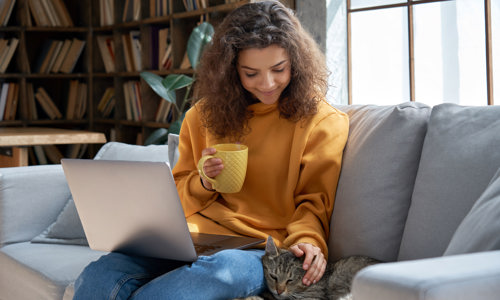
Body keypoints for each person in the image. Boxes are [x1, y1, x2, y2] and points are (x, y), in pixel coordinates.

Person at [73, 1, 349, 299]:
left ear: (296, 61)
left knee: (215, 275)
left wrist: (308, 241)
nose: (267, 83)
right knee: (99, 274)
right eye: (251, 73)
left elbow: (315, 202)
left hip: (258, 249)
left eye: (279, 69)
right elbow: (176, 197)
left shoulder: (322, 122)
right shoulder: (203, 115)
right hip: (193, 238)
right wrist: (203, 183)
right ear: (231, 70)